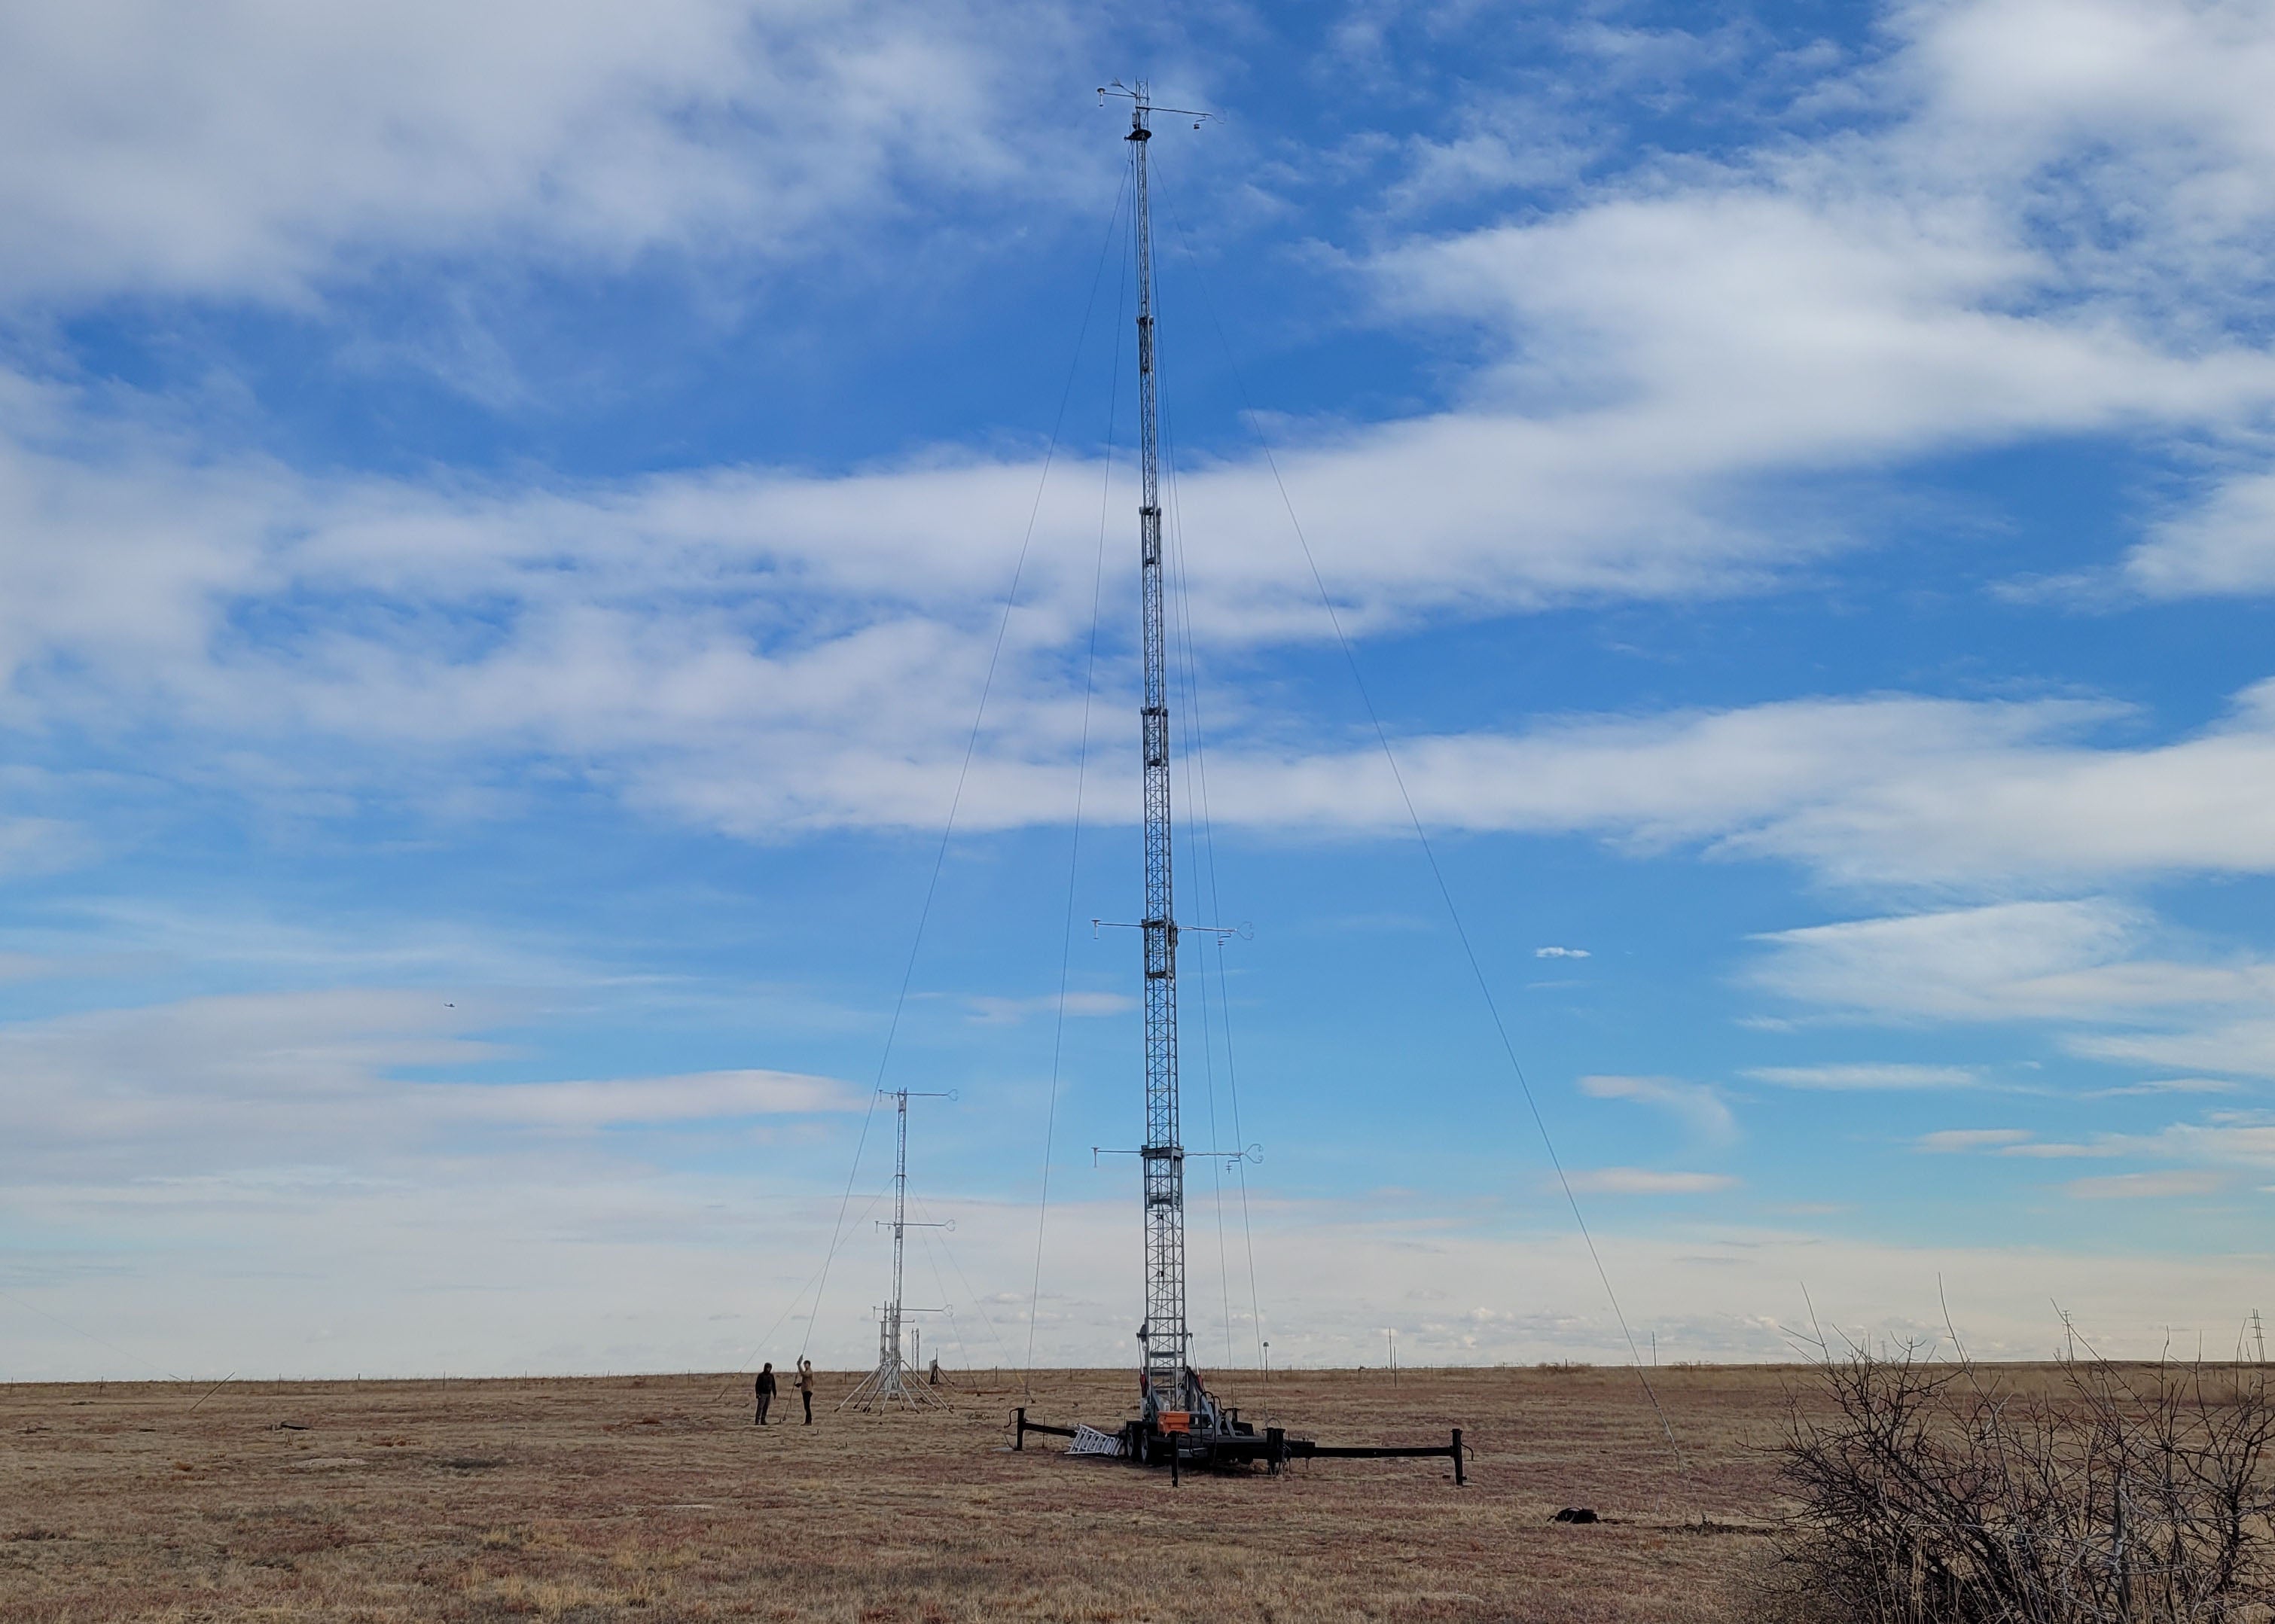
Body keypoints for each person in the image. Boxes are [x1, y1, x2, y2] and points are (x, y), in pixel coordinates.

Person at [755, 1362, 776, 1426]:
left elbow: (773, 1385)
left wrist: (775, 1393)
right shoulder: (761, 1375)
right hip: (762, 1394)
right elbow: (757, 1385)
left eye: (769, 1368)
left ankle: (763, 1420)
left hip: (768, 1394)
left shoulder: (771, 1376)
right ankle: (757, 1421)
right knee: (760, 1407)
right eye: (767, 1368)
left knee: (766, 1407)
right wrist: (757, 1393)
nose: (768, 1369)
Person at [797, 1357, 815, 1424]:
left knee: (807, 1406)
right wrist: (800, 1384)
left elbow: (804, 1375)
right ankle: (807, 1421)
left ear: (809, 1365)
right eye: (804, 1364)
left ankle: (809, 1421)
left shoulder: (809, 1371)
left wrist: (799, 1366)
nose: (805, 1366)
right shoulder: (806, 1371)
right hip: (805, 1390)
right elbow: (806, 1380)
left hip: (808, 1390)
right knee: (806, 1406)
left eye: (806, 1364)